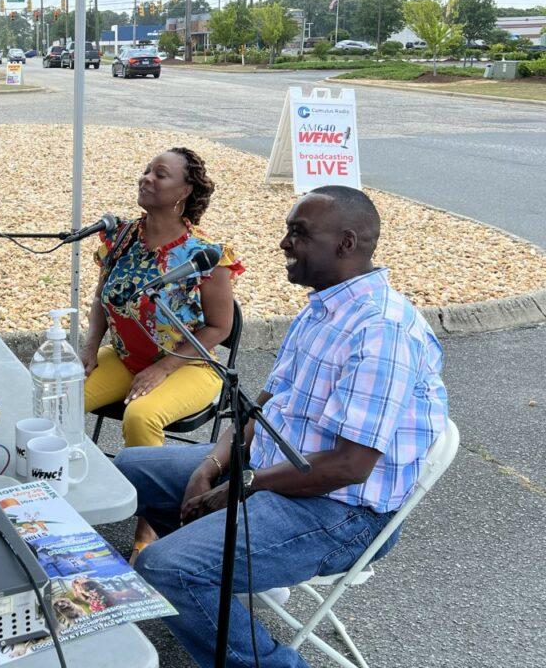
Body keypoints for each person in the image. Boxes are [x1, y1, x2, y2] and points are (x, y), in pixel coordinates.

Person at [115, 185, 449, 668]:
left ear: (346, 243)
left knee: (164, 568)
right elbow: (264, 407)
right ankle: (216, 578)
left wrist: (240, 487)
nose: (283, 244)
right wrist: (212, 465)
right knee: (127, 470)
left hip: (339, 511)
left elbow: (350, 466)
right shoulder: (322, 308)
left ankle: (235, 620)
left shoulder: (381, 330)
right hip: (277, 471)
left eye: (299, 233)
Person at [81, 147, 244, 557]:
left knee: (141, 413)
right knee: (59, 396)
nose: (146, 178)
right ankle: (65, 493)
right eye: (146, 171)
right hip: (124, 358)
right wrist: (89, 348)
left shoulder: (206, 256)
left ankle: (150, 525)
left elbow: (219, 327)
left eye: (160, 174)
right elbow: (103, 299)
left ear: (185, 191)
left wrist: (165, 367)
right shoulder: (119, 238)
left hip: (189, 365)